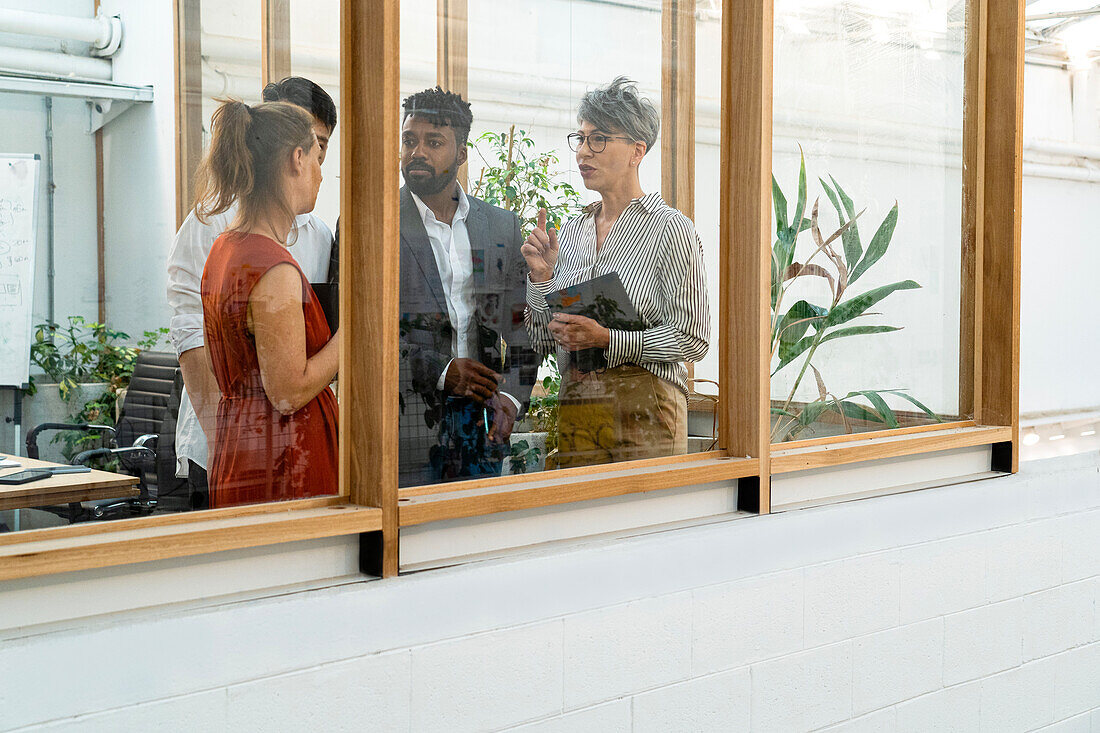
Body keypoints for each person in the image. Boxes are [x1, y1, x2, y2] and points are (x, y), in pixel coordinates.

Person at [166, 77, 337, 508]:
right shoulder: (222, 233)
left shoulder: (248, 242)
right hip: (270, 457)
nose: (322, 169)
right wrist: (227, 437)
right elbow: (192, 333)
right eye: (315, 153)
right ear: (293, 156)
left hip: (259, 447)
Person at [523, 76, 710, 468]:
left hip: (647, 412)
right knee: (582, 524)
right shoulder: (571, 232)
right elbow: (541, 341)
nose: (582, 153)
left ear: (636, 151)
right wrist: (541, 281)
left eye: (599, 139)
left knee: (646, 523)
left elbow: (693, 339)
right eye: (581, 138)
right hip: (579, 407)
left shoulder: (670, 227)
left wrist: (607, 338)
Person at [398, 86, 537, 487]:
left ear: (461, 153)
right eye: (409, 140)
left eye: (433, 142)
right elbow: (356, 334)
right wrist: (441, 372)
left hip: (483, 427)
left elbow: (522, 325)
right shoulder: (374, 222)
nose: (417, 152)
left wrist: (511, 397)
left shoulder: (499, 227)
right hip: (405, 427)